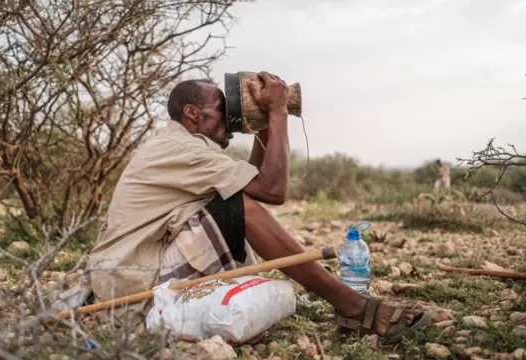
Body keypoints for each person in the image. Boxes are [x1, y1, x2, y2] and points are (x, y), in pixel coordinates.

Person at [83, 72, 431, 343]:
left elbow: (253, 179)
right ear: (192, 113)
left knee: (235, 202)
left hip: (134, 273)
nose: (229, 115)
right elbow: (272, 189)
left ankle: (350, 305)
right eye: (221, 108)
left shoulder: (183, 145)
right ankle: (354, 308)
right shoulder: (184, 150)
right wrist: (278, 113)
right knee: (241, 207)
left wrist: (261, 121)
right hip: (131, 291)